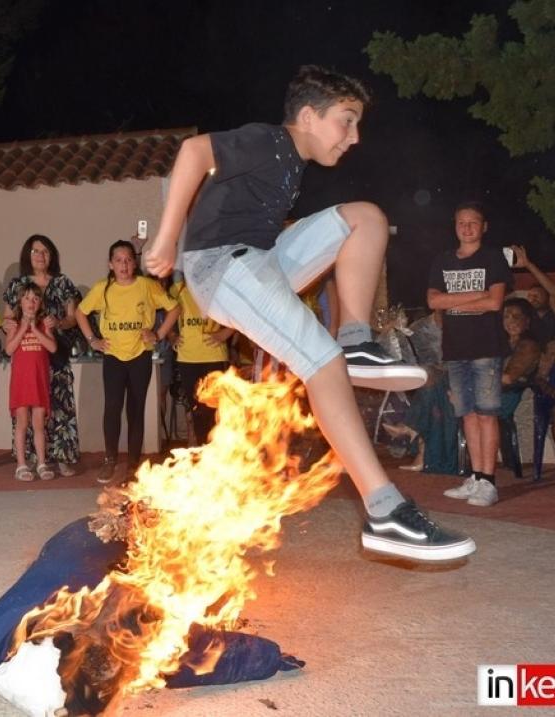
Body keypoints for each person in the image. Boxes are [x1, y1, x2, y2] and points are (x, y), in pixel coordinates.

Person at [143, 65, 473, 561]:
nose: (354, 137)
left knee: (365, 218)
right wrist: (168, 238)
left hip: (260, 259)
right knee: (319, 362)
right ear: (308, 116)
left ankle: (356, 339)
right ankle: (385, 511)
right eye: (347, 121)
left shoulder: (291, 162)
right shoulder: (268, 140)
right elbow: (193, 152)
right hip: (219, 266)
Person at [428, 202, 511, 509]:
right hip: (455, 349)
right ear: (455, 226)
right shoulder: (442, 260)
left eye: (473, 222)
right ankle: (476, 476)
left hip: (486, 348)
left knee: (487, 414)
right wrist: (479, 294)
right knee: (467, 414)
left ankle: (489, 481)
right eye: (461, 222)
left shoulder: (492, 258)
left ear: (483, 226)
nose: (467, 227)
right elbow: (433, 300)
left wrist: (454, 303)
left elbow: (495, 303)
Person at [76, 240, 180, 484]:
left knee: (136, 409)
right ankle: (110, 460)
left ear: (135, 262)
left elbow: (174, 308)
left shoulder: (146, 286)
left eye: (128, 259)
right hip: (113, 357)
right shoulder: (103, 288)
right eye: (119, 260)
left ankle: (133, 464)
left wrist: (158, 334)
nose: (124, 265)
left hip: (140, 356)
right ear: (110, 264)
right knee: (112, 408)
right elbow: (81, 312)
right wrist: (93, 340)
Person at [3, 234, 83, 476]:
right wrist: (9, 325)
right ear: (28, 255)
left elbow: (73, 317)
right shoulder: (17, 285)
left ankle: (60, 457)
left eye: (45, 251)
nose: (40, 255)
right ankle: (27, 460)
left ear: (52, 256)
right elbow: (7, 318)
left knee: (59, 407)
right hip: (27, 359)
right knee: (27, 414)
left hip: (54, 351)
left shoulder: (63, 282)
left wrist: (58, 322)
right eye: (35, 251)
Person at [169, 278, 235, 445]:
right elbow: (167, 315)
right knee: (196, 409)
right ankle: (204, 453)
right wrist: (172, 337)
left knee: (216, 410)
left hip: (214, 356)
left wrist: (224, 334)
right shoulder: (178, 288)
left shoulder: (218, 286)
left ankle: (219, 452)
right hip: (188, 358)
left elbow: (239, 314)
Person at [4, 281, 57, 481]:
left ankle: (42, 462)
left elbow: (52, 348)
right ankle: (21, 464)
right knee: (22, 423)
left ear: (40, 303)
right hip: (21, 383)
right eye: (27, 298)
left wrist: (35, 329)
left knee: (38, 424)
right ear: (20, 301)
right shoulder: (13, 324)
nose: (31, 303)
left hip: (39, 382)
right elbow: (9, 349)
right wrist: (23, 328)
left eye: (35, 299)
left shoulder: (44, 324)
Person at [496, 297, 543, 478]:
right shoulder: (500, 343)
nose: (512, 321)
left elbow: (508, 378)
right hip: (494, 391)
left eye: (517, 316)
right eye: (507, 316)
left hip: (512, 394)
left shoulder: (529, 345)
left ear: (527, 321)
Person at [510, 245, 555, 346]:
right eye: (530, 296)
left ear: (547, 297)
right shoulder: (527, 317)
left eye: (537, 295)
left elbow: (554, 292)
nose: (533, 298)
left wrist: (528, 264)